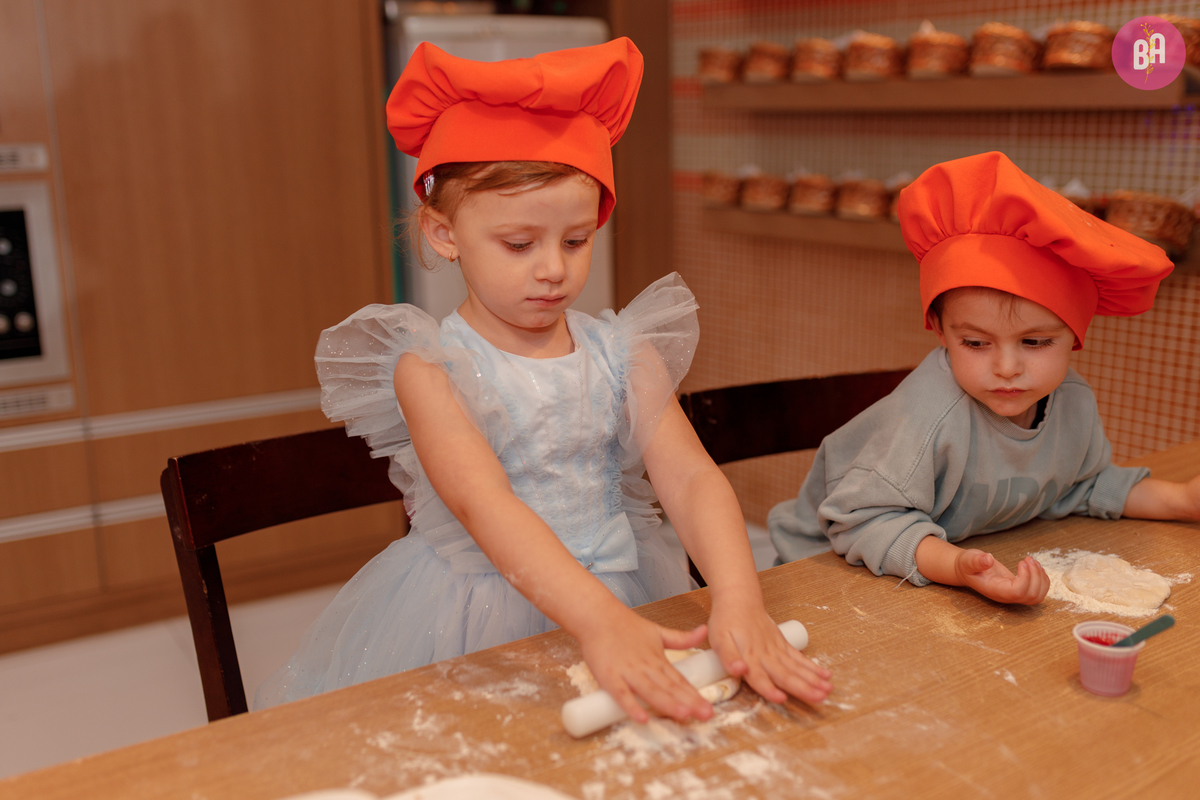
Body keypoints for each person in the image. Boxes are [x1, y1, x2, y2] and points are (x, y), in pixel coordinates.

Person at [256, 38, 832, 721]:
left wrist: (739, 596)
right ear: (444, 235)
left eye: (577, 239)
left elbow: (690, 477)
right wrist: (598, 623)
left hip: (626, 591)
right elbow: (487, 507)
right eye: (520, 244)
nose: (554, 268)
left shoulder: (622, 351)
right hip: (478, 614)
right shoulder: (430, 368)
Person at [768, 151, 1198, 605]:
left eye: (1035, 343)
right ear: (939, 329)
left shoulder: (1071, 400)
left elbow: (1082, 486)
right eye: (976, 343)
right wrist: (958, 568)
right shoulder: (927, 417)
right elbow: (868, 522)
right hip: (827, 580)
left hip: (937, 570)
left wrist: (1182, 501)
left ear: (1074, 336)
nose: (1007, 367)